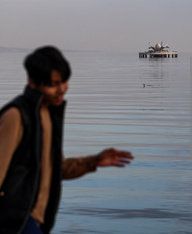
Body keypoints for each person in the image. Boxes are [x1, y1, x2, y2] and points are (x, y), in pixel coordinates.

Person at [0, 46, 134, 234]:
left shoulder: (47, 113)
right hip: (17, 220)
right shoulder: (16, 116)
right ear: (32, 82)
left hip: (35, 219)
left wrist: (93, 161)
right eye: (53, 84)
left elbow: (55, 169)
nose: (62, 89)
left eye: (64, 82)